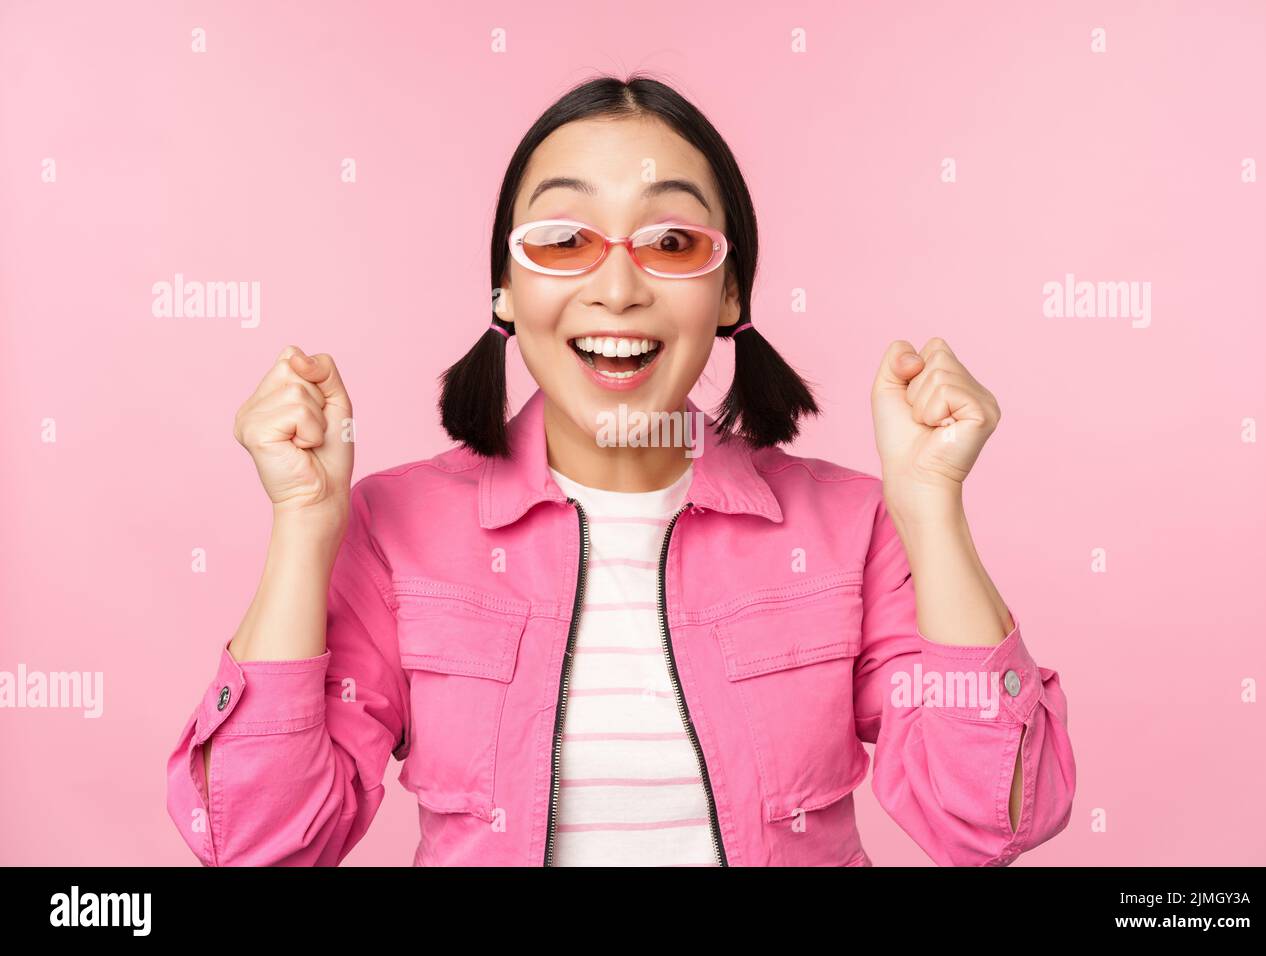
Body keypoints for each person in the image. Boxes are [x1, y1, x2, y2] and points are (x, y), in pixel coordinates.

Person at [165, 73, 1076, 866]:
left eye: (671, 243)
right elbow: (257, 841)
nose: (617, 286)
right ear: (506, 293)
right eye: (563, 241)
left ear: (728, 294)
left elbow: (989, 822)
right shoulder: (394, 526)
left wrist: (933, 508)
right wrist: (301, 526)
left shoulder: (852, 525)